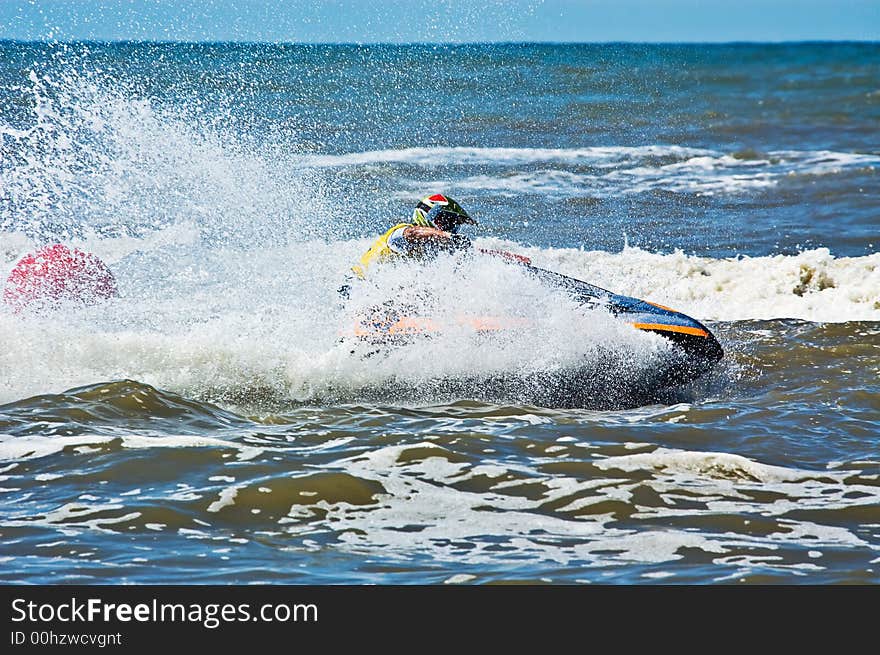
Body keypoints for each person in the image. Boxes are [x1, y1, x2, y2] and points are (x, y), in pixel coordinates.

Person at [349, 193, 477, 282]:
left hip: (372, 292)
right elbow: (413, 233)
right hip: (355, 286)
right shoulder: (401, 232)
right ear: (428, 215)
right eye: (447, 221)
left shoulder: (429, 247)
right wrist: (448, 236)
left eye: (454, 224)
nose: (449, 227)